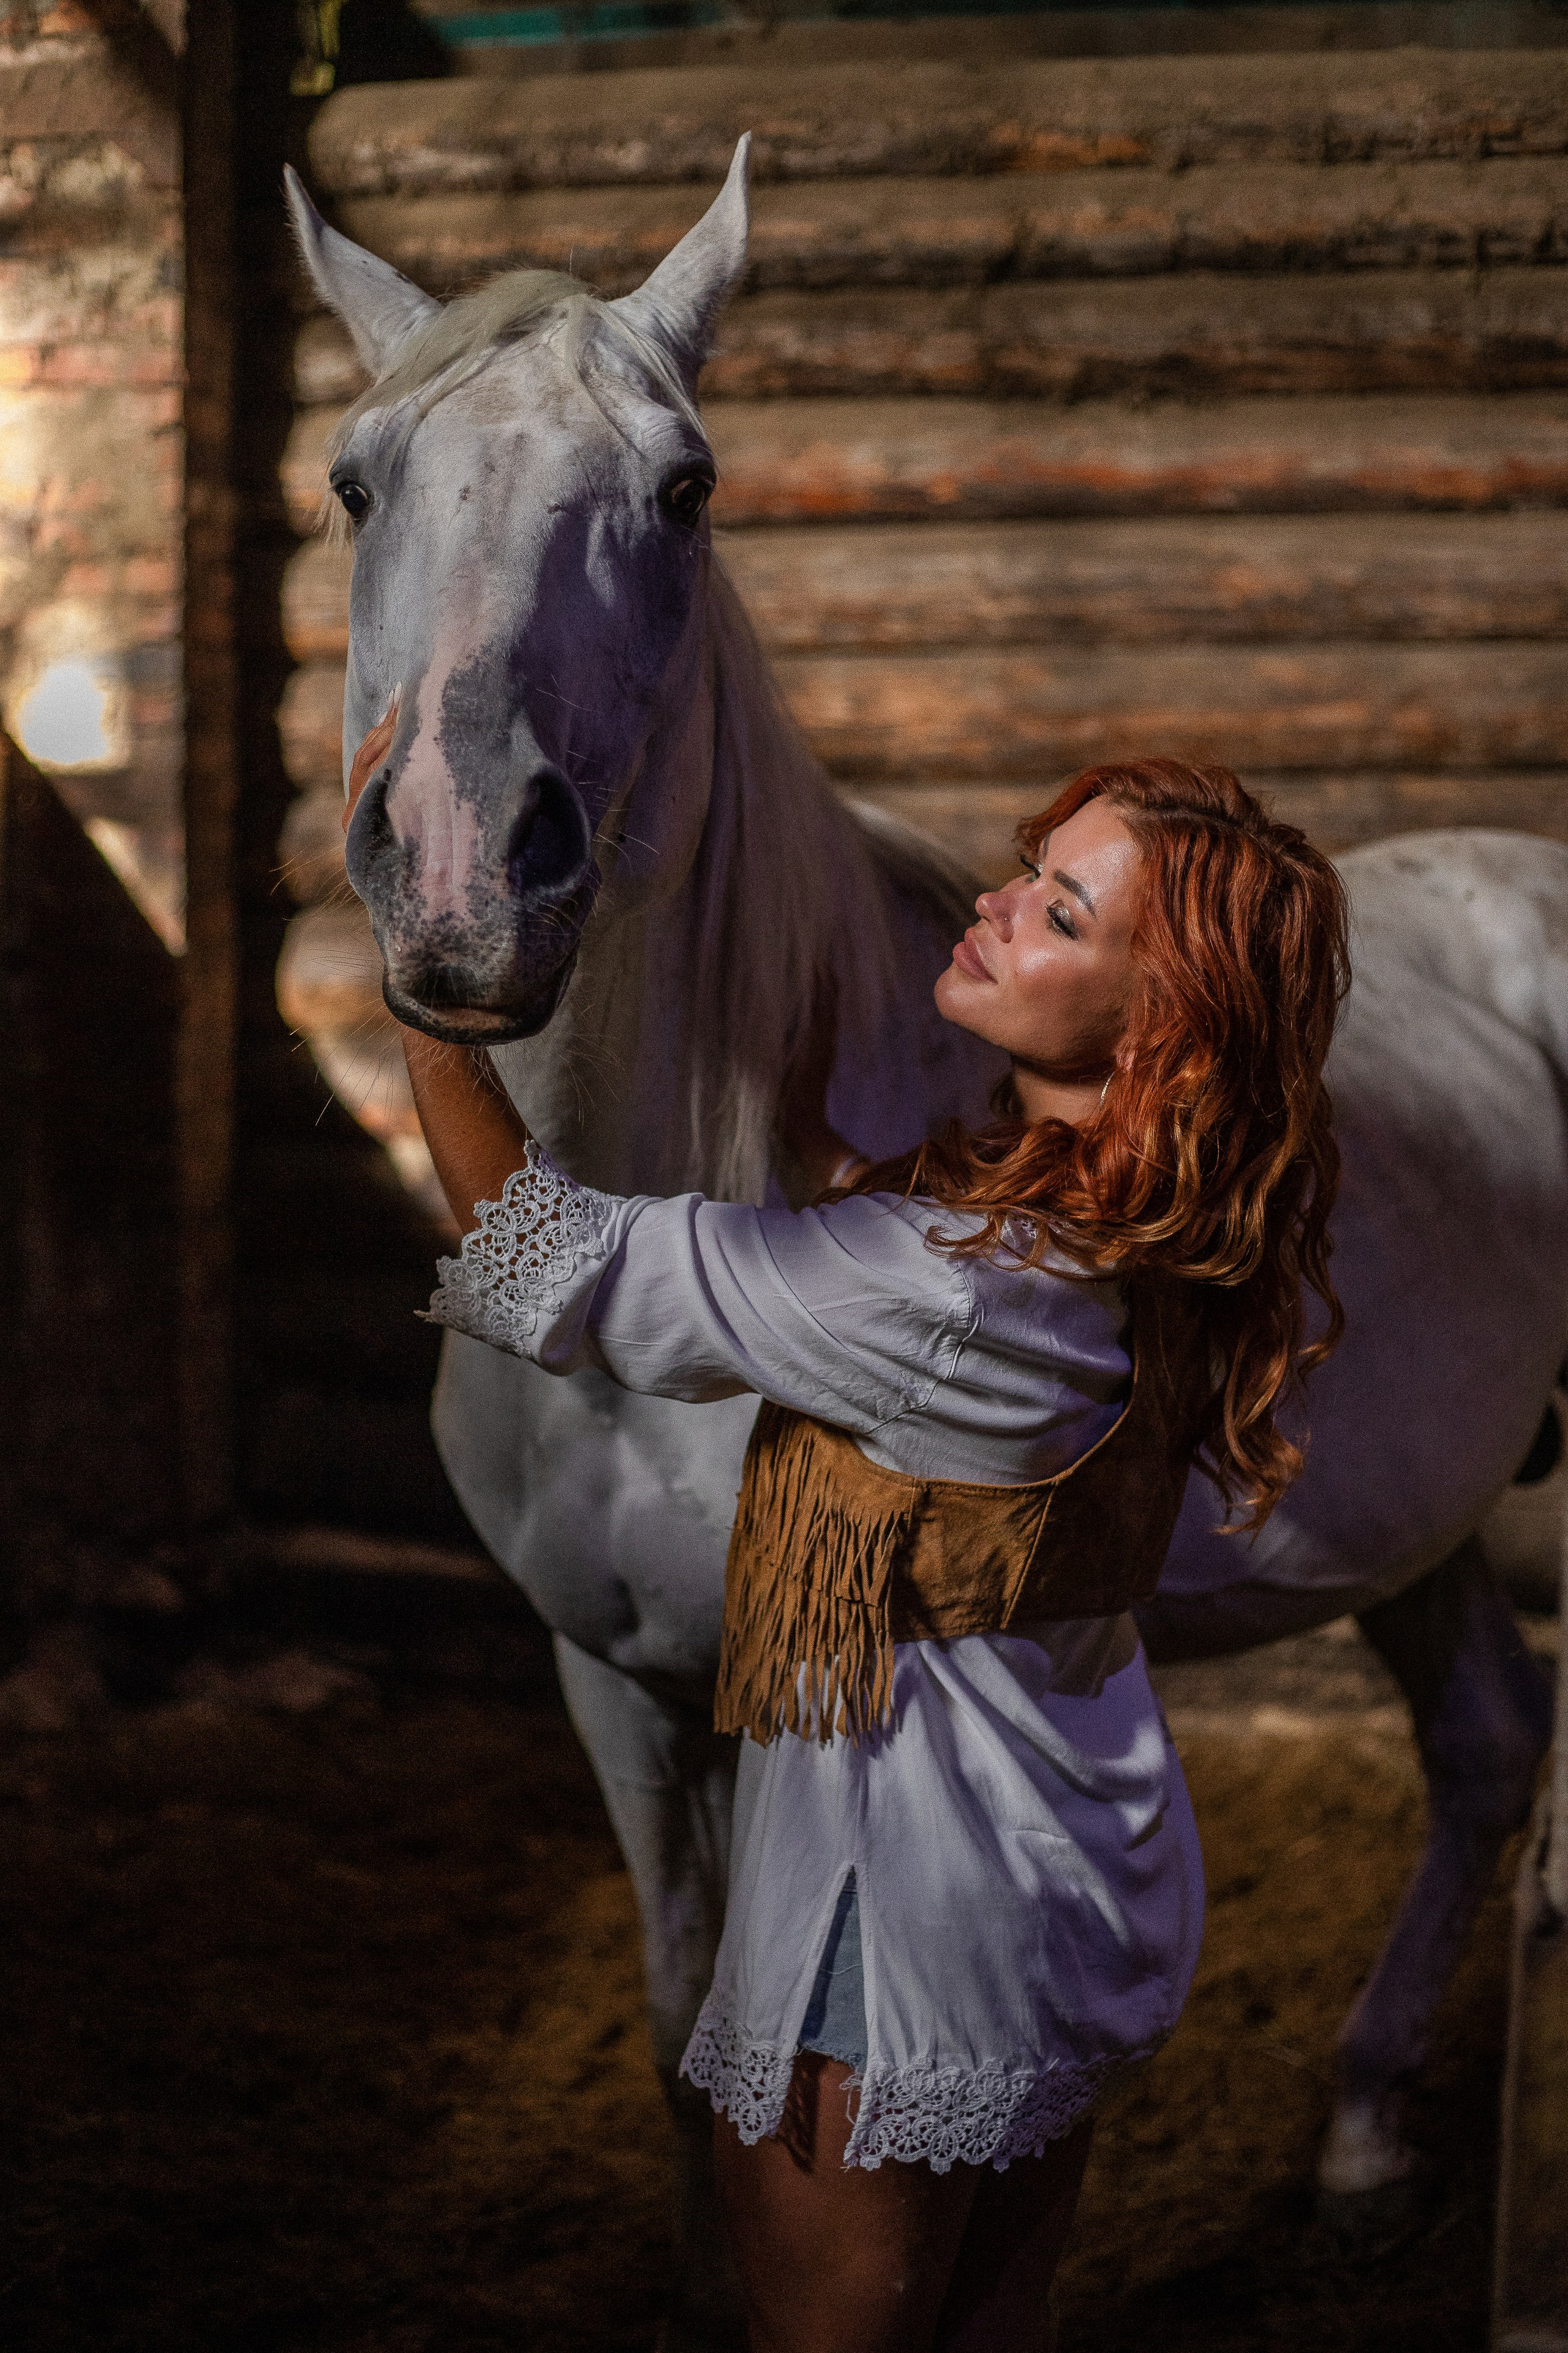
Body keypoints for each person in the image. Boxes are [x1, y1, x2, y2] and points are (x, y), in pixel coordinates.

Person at [348, 716, 1349, 2353]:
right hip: (1069, 1862)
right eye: (1031, 870)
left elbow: (546, 1264)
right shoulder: (1154, 1220)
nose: (1001, 903)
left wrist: (431, 999)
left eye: (1064, 914)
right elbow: (904, 1244)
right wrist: (800, 1114)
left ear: (1159, 1027)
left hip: (907, 1909)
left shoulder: (953, 1292)